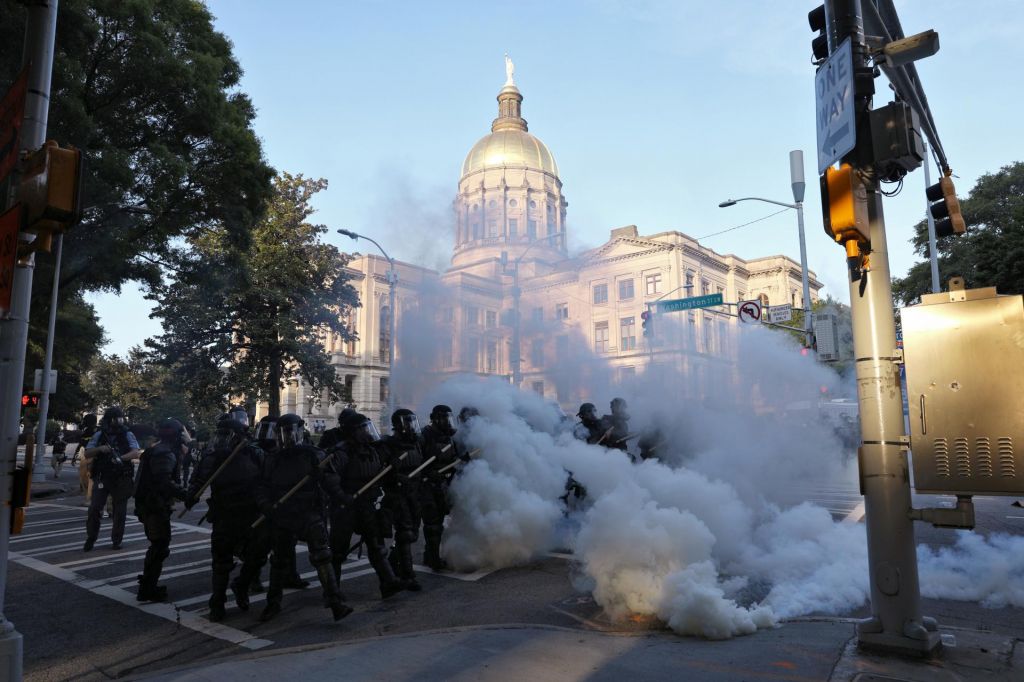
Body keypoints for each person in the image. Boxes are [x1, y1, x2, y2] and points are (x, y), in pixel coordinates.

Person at [255, 413, 351, 623]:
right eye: (282, 433)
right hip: (283, 514)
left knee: (322, 556)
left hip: (308, 511)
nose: (286, 437)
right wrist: (265, 504)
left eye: (289, 432)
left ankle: (335, 601)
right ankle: (273, 602)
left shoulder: (313, 455)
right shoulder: (273, 459)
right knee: (279, 561)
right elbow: (261, 486)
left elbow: (330, 482)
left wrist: (342, 499)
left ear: (299, 431)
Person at [187, 416, 268, 621]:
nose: (224, 439)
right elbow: (198, 481)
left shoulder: (254, 453)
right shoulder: (212, 457)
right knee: (221, 562)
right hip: (224, 514)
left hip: (250, 513)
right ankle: (217, 602)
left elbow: (267, 478)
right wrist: (191, 496)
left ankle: (241, 585)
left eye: (228, 435)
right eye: (221, 435)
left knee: (257, 556)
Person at [329, 412, 407, 598]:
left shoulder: (372, 450)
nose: (367, 431)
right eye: (363, 428)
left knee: (376, 545)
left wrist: (393, 468)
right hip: (346, 507)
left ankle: (388, 582)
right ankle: (332, 591)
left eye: (366, 427)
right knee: (338, 552)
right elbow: (329, 478)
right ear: (352, 432)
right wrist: (342, 497)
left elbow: (380, 474)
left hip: (367, 505)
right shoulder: (341, 452)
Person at [134, 419, 189, 602]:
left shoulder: (158, 450)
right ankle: (147, 588)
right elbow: (164, 482)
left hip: (150, 504)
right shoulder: (164, 453)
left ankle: (148, 585)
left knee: (158, 546)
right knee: (159, 546)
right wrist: (186, 495)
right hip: (154, 505)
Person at [254, 415, 309, 591]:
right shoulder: (259, 452)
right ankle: (250, 580)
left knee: (287, 543)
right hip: (266, 505)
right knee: (260, 546)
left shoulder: (283, 451)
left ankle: (290, 575)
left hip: (283, 506)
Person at [83, 407, 141, 551]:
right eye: (116, 419)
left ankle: (117, 540)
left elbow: (135, 452)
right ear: (109, 420)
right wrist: (100, 449)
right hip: (103, 476)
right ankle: (91, 537)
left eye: (121, 418)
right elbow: (87, 453)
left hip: (121, 476)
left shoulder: (127, 434)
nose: (119, 422)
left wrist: (121, 458)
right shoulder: (99, 435)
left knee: (119, 512)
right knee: (95, 509)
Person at [381, 408, 425, 591]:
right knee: (405, 533)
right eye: (407, 422)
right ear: (398, 425)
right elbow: (379, 471)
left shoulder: (416, 443)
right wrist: (395, 474)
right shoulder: (389, 444)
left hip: (414, 493)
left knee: (413, 532)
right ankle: (408, 576)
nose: (411, 426)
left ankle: (392, 562)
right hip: (398, 494)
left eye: (411, 421)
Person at [418, 405, 458, 570]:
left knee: (439, 522)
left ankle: (430, 555)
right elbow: (415, 461)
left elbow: (452, 458)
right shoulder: (424, 436)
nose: (447, 422)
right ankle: (433, 558)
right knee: (432, 524)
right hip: (427, 485)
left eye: (449, 418)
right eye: (443, 418)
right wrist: (428, 473)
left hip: (442, 485)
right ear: (434, 418)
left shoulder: (448, 437)